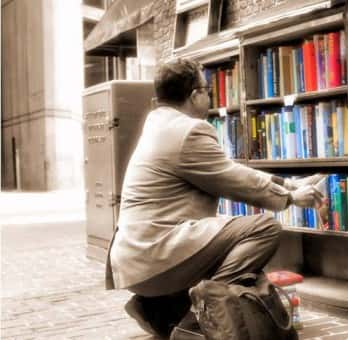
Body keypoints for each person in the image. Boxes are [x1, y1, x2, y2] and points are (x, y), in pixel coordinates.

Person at [105, 59, 324, 338]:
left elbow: (229, 171)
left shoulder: (159, 124)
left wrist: (289, 183)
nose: (209, 95)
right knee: (264, 229)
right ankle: (199, 317)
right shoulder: (189, 130)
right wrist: (291, 198)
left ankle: (164, 310)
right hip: (156, 256)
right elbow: (235, 180)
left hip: (136, 262)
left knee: (228, 232)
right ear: (195, 95)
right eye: (207, 89)